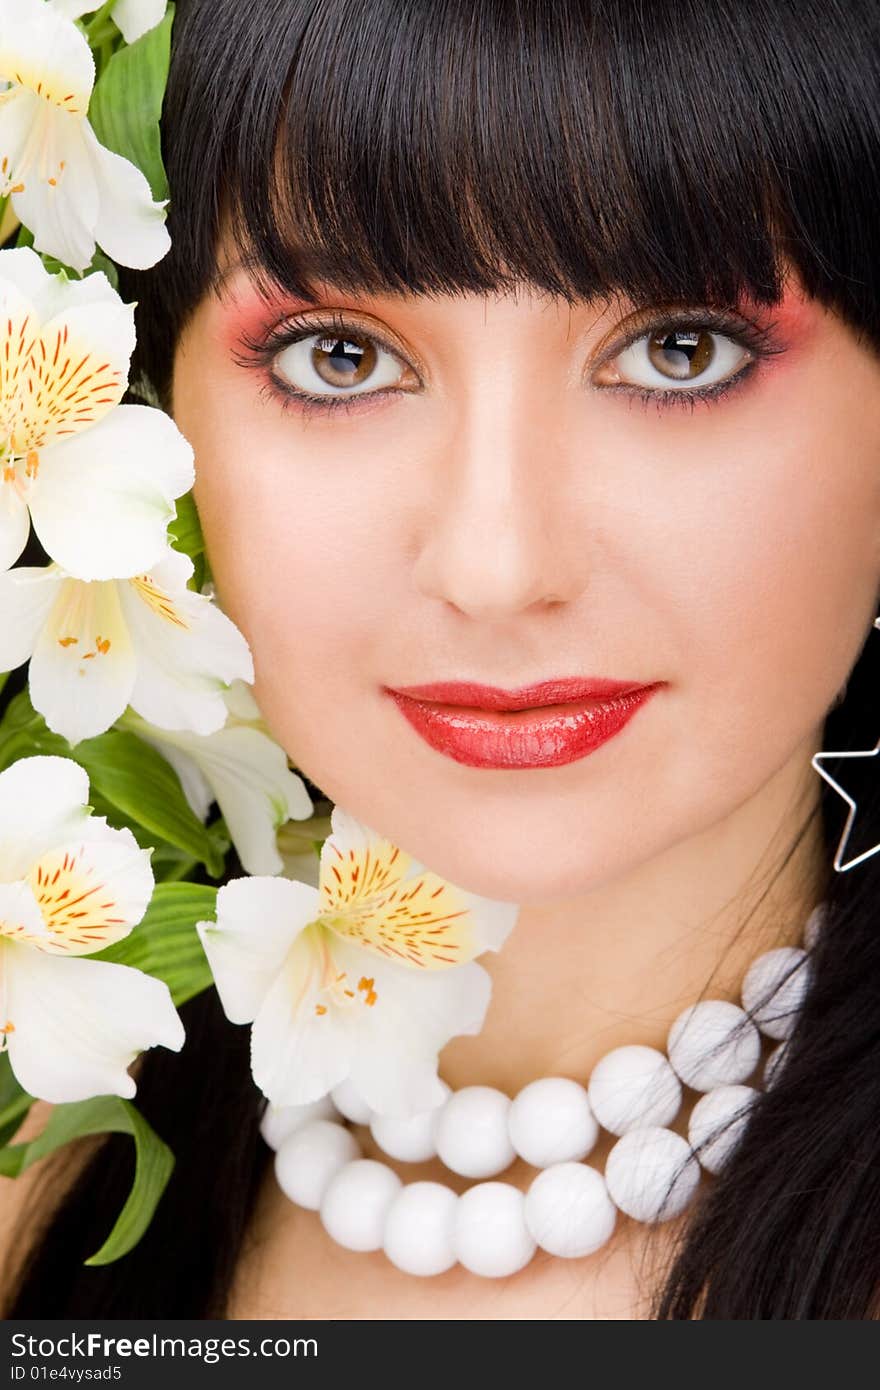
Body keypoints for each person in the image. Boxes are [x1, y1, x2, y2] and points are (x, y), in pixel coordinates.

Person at [3, 0, 880, 1319]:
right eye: (340, 357)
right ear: (149, 411)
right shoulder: (43, 1151)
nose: (498, 565)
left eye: (678, 349)